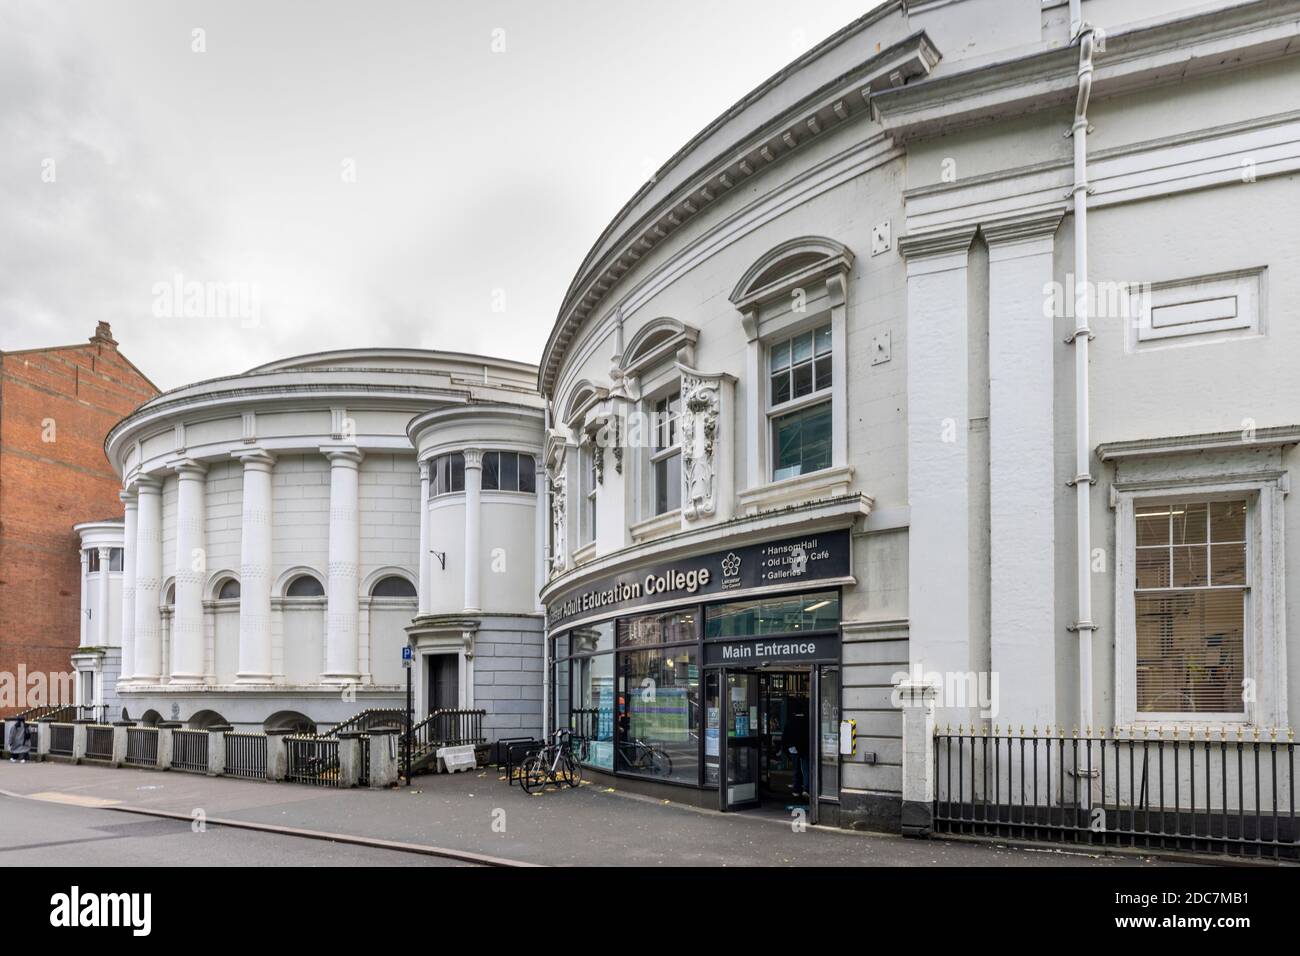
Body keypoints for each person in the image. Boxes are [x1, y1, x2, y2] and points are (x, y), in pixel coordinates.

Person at [780, 694, 810, 798]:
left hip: (793, 748)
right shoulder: (808, 722)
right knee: (806, 768)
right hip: (805, 747)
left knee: (796, 768)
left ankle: (796, 789)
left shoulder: (790, 723)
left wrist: (786, 749)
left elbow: (785, 738)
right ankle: (807, 788)